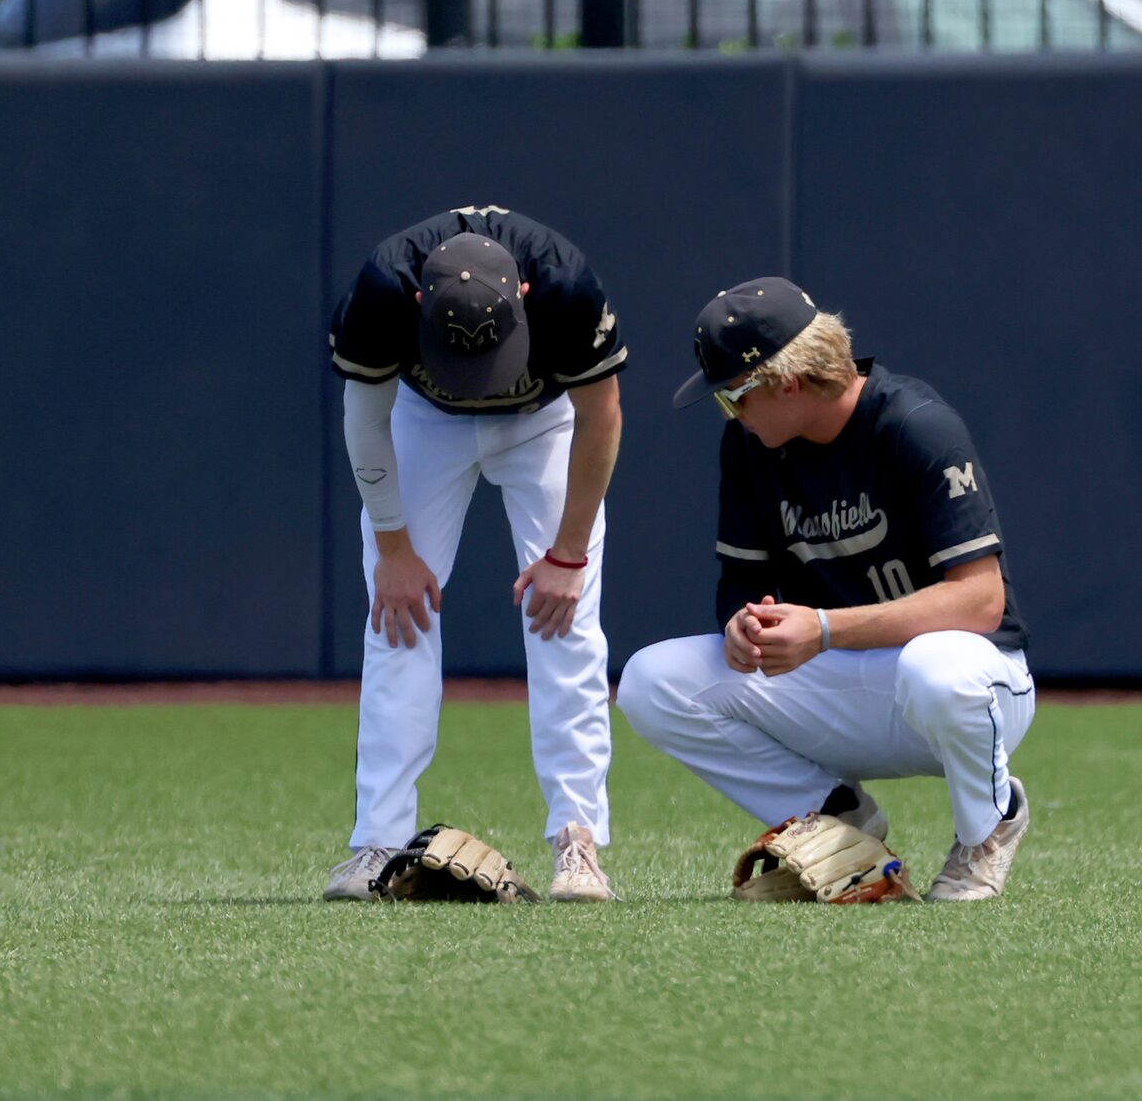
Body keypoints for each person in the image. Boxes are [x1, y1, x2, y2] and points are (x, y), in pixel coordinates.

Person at [616, 278, 1036, 902]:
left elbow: (979, 601)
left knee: (935, 669)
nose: (729, 414)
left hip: (972, 684)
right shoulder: (752, 447)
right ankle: (838, 821)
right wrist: (741, 624)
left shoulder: (916, 425)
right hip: (841, 677)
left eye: (732, 397)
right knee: (651, 681)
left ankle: (988, 824)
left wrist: (826, 628)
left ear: (786, 381)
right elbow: (743, 583)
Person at [319, 206, 628, 903]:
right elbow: (364, 418)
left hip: (542, 421)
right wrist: (393, 547)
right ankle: (379, 839)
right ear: (420, 302)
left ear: (522, 294)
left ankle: (578, 840)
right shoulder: (381, 287)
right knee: (396, 615)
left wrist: (569, 555)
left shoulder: (565, 283)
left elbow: (600, 413)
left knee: (564, 619)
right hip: (423, 422)